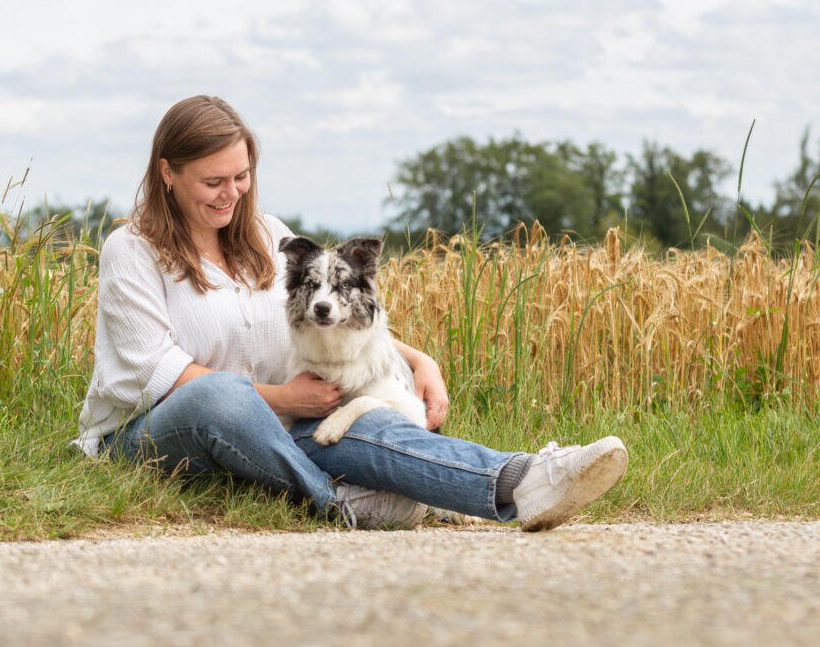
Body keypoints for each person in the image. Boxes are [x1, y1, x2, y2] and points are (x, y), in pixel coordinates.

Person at [73, 95, 628, 531]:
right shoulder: (133, 251)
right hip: (152, 435)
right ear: (167, 172)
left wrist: (418, 359)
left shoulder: (268, 236)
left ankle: (521, 480)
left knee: (370, 419)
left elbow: (335, 312)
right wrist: (285, 399)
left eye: (241, 178)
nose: (231, 194)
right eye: (213, 181)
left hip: (271, 430)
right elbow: (161, 377)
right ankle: (335, 502)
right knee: (222, 396)